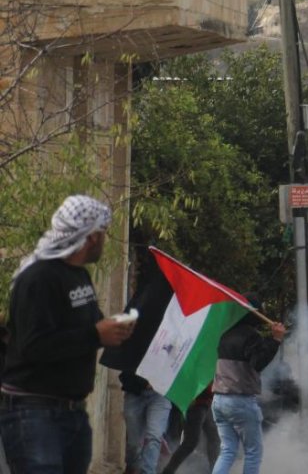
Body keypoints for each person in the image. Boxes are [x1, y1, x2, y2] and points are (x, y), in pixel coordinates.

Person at [0, 195, 134, 474]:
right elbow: (33, 346)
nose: (104, 239)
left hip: (71, 411)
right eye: (103, 232)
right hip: (34, 411)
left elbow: (88, 322)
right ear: (90, 237)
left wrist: (113, 327)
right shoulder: (39, 278)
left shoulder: (78, 275)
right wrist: (95, 335)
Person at [102, 251, 176, 474]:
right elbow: (123, 348)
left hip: (161, 393)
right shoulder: (135, 316)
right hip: (134, 391)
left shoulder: (174, 323)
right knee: (134, 443)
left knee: (153, 436)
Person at [210, 297, 286, 474]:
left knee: (228, 451)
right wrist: (275, 340)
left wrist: (269, 340)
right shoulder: (251, 336)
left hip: (219, 400)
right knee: (253, 452)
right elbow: (258, 362)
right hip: (240, 401)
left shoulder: (226, 335)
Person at [160, 385, 219, 474]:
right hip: (197, 404)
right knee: (191, 442)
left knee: (214, 438)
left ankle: (216, 470)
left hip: (206, 404)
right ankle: (168, 471)